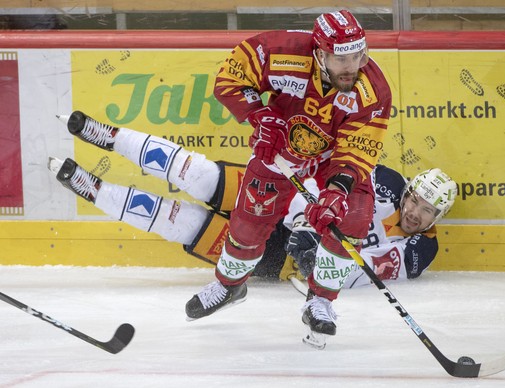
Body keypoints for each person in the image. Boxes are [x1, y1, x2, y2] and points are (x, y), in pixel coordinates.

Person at [52, 9, 392, 347]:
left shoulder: (372, 89)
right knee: (246, 225)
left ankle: (321, 301)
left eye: (359, 56)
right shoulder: (282, 51)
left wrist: (337, 190)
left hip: (334, 157)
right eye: (341, 58)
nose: (352, 67)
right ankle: (230, 285)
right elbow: (229, 77)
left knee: (354, 215)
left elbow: (358, 149)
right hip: (281, 148)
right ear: (319, 53)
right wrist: (260, 115)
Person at [284, 165, 457, 289]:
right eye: (414, 201)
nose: (414, 213)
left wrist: (327, 263)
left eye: (427, 210)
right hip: (290, 224)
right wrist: (305, 223)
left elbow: (366, 269)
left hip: (299, 267)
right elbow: (323, 181)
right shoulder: (386, 181)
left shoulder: (423, 247)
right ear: (407, 194)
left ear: (438, 216)